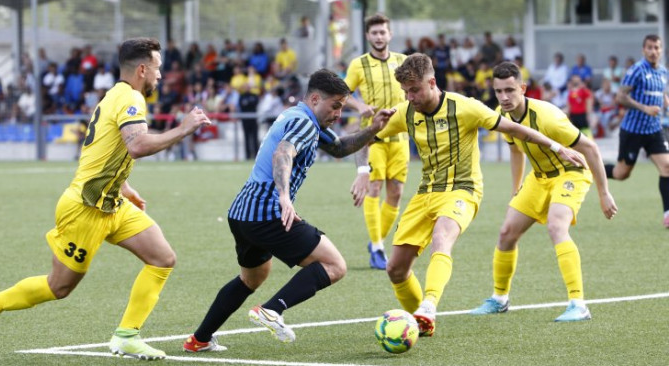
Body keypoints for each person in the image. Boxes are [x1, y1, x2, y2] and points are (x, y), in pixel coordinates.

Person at [0, 37, 212, 360]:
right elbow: (137, 146)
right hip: (84, 210)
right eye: (157, 68)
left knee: (162, 258)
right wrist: (184, 128)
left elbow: (103, 149)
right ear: (142, 69)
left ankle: (127, 335)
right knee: (59, 287)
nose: (160, 75)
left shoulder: (114, 95)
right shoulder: (130, 99)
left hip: (112, 203)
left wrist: (124, 186)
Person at [182, 69, 396, 352]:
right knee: (335, 265)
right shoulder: (304, 124)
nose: (338, 113)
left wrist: (373, 129)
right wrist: (284, 196)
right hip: (268, 211)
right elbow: (283, 151)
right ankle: (272, 310)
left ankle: (199, 339)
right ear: (316, 98)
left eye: (342, 107)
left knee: (252, 278)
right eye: (335, 106)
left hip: (243, 213)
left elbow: (340, 147)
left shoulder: (301, 117)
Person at [375, 53, 586, 337]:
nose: (409, 97)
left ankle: (429, 305)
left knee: (442, 239)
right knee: (396, 269)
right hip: (426, 193)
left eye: (414, 90)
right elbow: (369, 135)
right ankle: (420, 324)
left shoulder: (465, 107)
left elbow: (513, 128)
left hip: (463, 189)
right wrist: (363, 166)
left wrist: (557, 147)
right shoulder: (405, 112)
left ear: (432, 82)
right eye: (406, 91)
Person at [469, 61, 617, 322]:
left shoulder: (547, 117)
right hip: (538, 178)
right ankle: (500, 299)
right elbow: (515, 150)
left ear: (523, 88)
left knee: (556, 227)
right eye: (499, 91)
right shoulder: (501, 115)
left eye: (510, 90)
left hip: (570, 174)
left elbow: (591, 148)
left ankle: (578, 304)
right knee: (506, 234)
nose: (504, 97)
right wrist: (516, 190)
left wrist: (604, 193)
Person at [345, 13, 408, 270]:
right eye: (374, 33)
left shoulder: (403, 62)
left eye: (383, 32)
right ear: (367, 36)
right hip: (372, 138)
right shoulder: (358, 64)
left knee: (396, 193)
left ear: (390, 34)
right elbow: (341, 92)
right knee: (374, 188)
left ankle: (375, 242)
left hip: (401, 137)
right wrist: (358, 104)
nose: (379, 36)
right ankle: (379, 248)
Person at [604, 34, 669, 228]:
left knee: (667, 167)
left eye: (656, 47)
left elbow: (662, 94)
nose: (653, 51)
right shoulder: (637, 70)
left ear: (661, 50)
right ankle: (592, 166)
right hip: (633, 130)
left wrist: (665, 102)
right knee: (621, 173)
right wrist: (644, 108)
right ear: (643, 50)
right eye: (649, 47)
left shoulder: (663, 72)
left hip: (654, 130)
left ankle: (667, 214)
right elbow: (620, 97)